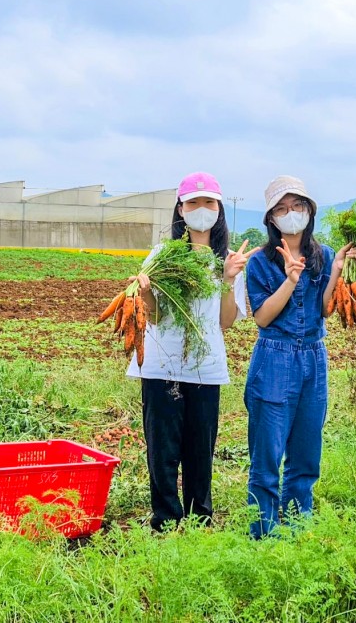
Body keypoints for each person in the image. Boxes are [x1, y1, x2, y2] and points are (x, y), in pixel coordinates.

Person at [127, 172, 255, 531]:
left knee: (201, 450)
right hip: (159, 366)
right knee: (162, 451)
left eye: (209, 203)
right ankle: (165, 521)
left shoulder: (228, 260)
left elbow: (226, 321)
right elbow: (151, 314)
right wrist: (147, 289)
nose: (202, 210)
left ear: (219, 210)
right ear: (180, 210)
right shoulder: (162, 256)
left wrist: (229, 279)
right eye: (194, 203)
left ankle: (200, 520)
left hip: (206, 368)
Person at [243, 175, 356, 538]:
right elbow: (262, 317)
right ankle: (263, 532)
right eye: (281, 208)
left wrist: (336, 270)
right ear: (271, 219)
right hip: (275, 356)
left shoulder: (321, 255)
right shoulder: (260, 262)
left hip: (313, 356)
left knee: (307, 450)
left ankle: (297, 525)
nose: (290, 213)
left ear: (309, 211)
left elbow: (324, 310)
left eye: (297, 206)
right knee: (268, 452)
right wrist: (290, 279)